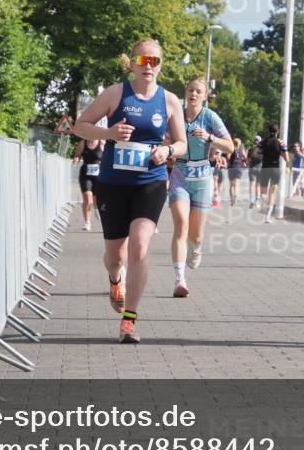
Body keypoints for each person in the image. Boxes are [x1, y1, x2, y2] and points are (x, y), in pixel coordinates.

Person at [72, 39, 186, 344]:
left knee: (139, 245)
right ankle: (114, 279)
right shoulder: (115, 94)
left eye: (155, 61)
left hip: (150, 181)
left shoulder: (170, 100)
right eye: (143, 60)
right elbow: (81, 126)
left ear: (161, 65)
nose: (149, 67)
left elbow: (182, 143)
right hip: (112, 185)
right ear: (133, 63)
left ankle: (129, 321)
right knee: (115, 256)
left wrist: (168, 150)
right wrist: (108, 133)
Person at [168, 78, 233, 298]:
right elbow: (163, 137)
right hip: (180, 174)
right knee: (181, 226)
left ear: (205, 96)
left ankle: (196, 249)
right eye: (190, 90)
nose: (193, 94)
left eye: (198, 91)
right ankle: (180, 279)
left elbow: (230, 146)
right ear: (185, 92)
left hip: (203, 178)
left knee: (195, 236)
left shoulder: (210, 117)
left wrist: (209, 138)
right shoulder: (176, 113)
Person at [257, 124, 288, 223]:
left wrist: (264, 152)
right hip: (275, 169)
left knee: (263, 192)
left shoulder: (263, 141)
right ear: (278, 131)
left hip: (265, 168)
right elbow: (287, 158)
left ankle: (262, 205)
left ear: (268, 130)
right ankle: (268, 217)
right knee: (272, 193)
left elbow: (256, 153)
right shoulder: (280, 142)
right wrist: (281, 153)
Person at [72, 138, 104, 231]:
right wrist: (76, 159)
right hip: (85, 174)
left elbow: (107, 157)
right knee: (87, 197)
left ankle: (96, 208)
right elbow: (77, 155)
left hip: (99, 175)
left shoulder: (102, 143)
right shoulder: (83, 143)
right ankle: (87, 222)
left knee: (97, 199)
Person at [227, 138, 246, 206]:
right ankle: (235, 195)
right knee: (236, 185)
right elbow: (245, 157)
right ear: (239, 144)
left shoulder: (231, 149)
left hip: (232, 167)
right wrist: (242, 161)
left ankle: (232, 200)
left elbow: (228, 157)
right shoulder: (242, 150)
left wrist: (230, 160)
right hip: (239, 167)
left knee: (231, 185)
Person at [247, 135, 263, 208]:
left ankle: (251, 200)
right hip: (260, 168)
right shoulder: (262, 150)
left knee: (252, 184)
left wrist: (249, 162)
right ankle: (257, 202)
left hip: (252, 168)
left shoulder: (250, 149)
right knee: (258, 185)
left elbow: (248, 160)